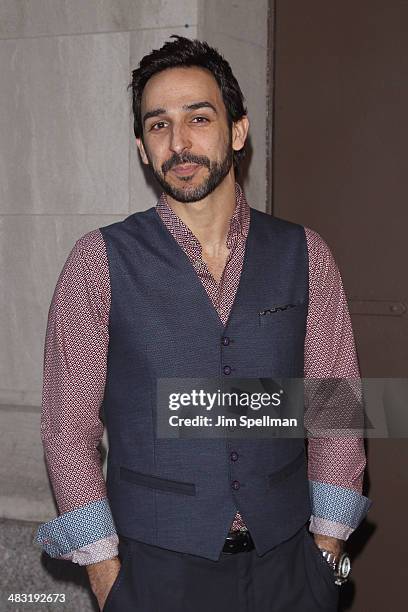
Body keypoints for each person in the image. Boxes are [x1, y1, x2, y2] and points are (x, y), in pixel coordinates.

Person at [36, 36, 371, 611]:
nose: (179, 143)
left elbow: (335, 410)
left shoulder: (304, 253)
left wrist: (325, 552)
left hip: (288, 566)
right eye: (158, 125)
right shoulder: (97, 263)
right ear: (142, 147)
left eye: (198, 118)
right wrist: (109, 578)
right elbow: (68, 431)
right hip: (154, 572)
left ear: (237, 132)